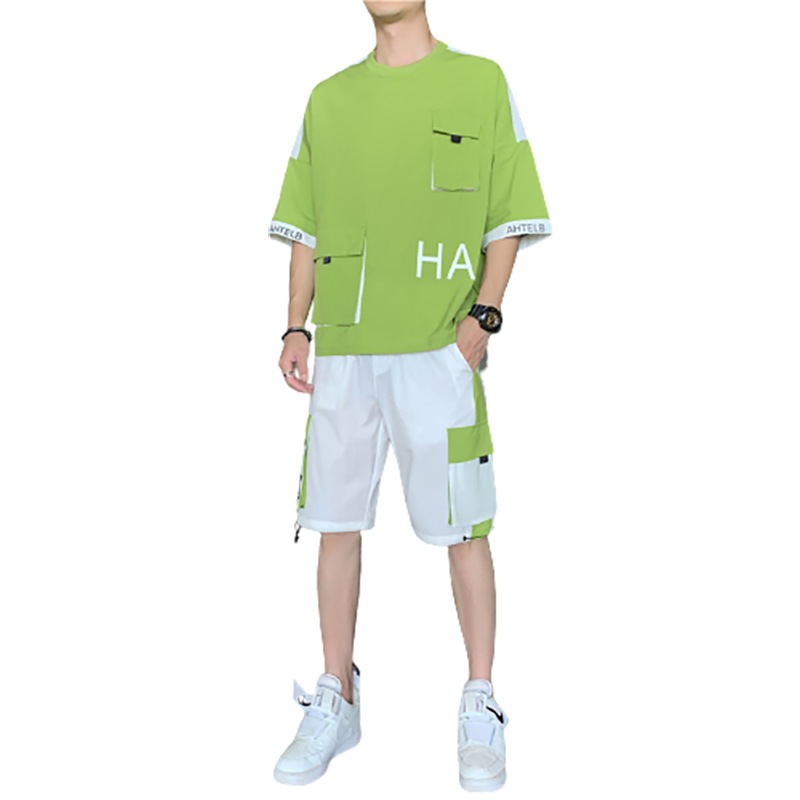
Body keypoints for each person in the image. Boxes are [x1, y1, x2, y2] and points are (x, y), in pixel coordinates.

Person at [268, 1, 551, 790]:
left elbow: (508, 214)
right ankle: (337, 695)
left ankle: (481, 701)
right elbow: (306, 226)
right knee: (333, 522)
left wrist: (484, 316)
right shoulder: (328, 100)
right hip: (346, 348)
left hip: (437, 348)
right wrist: (294, 326)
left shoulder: (479, 83)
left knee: (464, 524)